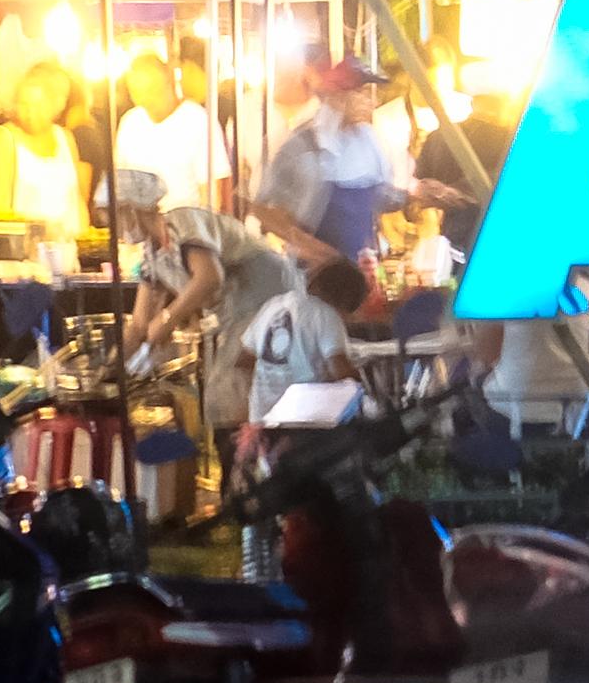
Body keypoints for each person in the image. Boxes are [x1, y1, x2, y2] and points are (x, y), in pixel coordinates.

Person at [118, 170, 301, 441]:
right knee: (222, 396)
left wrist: (167, 319)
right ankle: (239, 464)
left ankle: (244, 468)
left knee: (230, 390)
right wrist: (112, 370)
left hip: (266, 299)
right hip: (234, 314)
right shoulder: (151, 256)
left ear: (133, 209)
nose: (114, 228)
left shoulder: (184, 223)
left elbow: (209, 277)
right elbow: (140, 324)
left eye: (116, 216)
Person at [255, 58, 411, 265]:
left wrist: (416, 194)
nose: (370, 101)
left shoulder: (369, 139)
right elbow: (261, 208)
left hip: (360, 269)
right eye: (360, 93)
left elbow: (381, 198)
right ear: (337, 97)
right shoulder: (301, 145)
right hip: (312, 273)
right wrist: (307, 246)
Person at [236, 253, 374, 430]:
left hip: (262, 420)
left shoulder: (274, 305)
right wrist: (365, 385)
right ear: (346, 299)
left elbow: (244, 361)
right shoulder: (325, 314)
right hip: (304, 420)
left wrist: (270, 384)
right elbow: (340, 372)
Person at [112, 48, 220, 216]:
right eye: (137, 94)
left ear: (168, 83)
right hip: (142, 231)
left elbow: (212, 189)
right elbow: (121, 181)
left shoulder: (197, 119)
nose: (145, 100)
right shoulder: (130, 122)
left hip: (185, 230)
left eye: (152, 92)